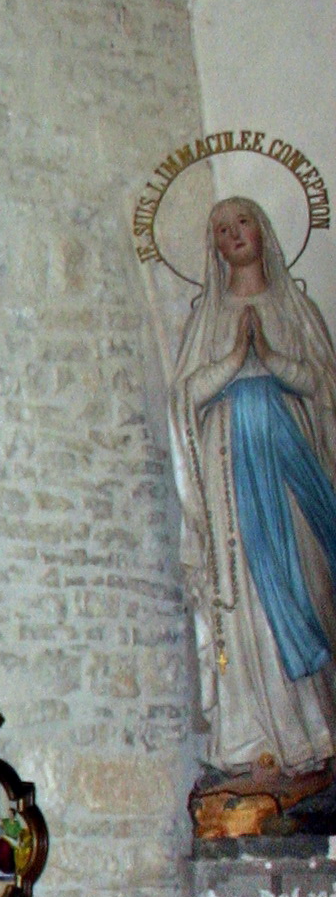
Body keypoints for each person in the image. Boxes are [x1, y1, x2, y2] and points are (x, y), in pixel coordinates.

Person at [169, 195, 336, 778]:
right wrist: (236, 358)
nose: (234, 234)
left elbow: (323, 386)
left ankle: (314, 728)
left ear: (262, 230)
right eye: (221, 229)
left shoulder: (294, 307)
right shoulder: (208, 319)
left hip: (293, 475)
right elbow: (184, 398)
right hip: (230, 479)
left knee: (303, 581)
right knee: (245, 601)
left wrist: (271, 359)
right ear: (214, 248)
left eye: (242, 222)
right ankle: (253, 739)